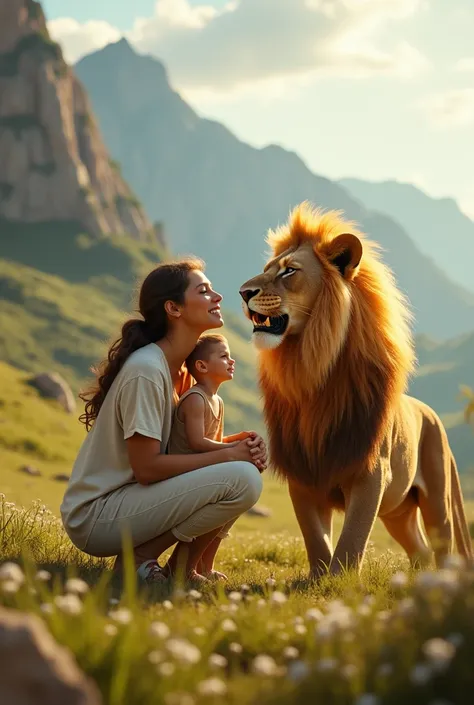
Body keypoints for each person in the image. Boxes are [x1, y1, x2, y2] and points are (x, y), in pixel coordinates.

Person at [60, 258, 266, 584]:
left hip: (132, 503)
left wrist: (236, 445)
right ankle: (140, 559)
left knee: (244, 472)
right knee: (242, 479)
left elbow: (182, 452)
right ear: (174, 308)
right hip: (97, 516)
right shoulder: (147, 370)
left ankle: (183, 571)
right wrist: (229, 456)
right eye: (204, 291)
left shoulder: (179, 373)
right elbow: (147, 468)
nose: (218, 297)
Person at [168, 333, 264, 580]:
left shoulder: (217, 401)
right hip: (183, 474)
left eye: (230, 356)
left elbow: (214, 442)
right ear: (202, 366)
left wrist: (237, 440)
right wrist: (234, 451)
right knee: (232, 491)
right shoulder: (196, 399)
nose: (231, 361)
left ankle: (204, 566)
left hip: (202, 469)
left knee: (236, 502)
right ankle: (185, 567)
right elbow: (197, 442)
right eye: (224, 356)